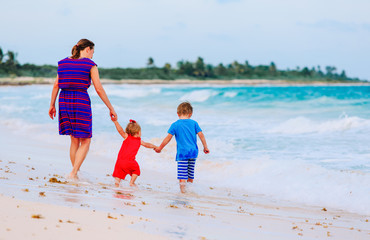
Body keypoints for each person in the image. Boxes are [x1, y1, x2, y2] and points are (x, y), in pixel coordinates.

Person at [48, 39, 117, 179]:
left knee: (74, 140)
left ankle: (75, 173)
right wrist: (111, 108)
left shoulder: (62, 63)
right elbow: (98, 88)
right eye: (93, 52)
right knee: (85, 140)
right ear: (87, 50)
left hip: (64, 100)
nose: (92, 55)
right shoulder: (90, 64)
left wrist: (52, 105)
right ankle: (74, 173)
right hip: (80, 100)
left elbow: (56, 85)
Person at [155, 102, 209, 193]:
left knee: (182, 174)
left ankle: (183, 192)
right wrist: (205, 147)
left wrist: (160, 147)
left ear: (178, 114)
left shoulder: (175, 124)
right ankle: (190, 190)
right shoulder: (194, 123)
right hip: (193, 152)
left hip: (183, 152)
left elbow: (168, 138)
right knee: (190, 173)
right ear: (190, 114)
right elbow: (201, 135)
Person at [112, 118, 157, 187]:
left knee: (118, 174)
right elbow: (147, 145)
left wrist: (115, 121)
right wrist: (155, 147)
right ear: (138, 132)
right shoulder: (139, 141)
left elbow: (120, 130)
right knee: (136, 170)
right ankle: (132, 182)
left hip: (119, 162)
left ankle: (116, 185)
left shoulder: (126, 137)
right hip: (130, 162)